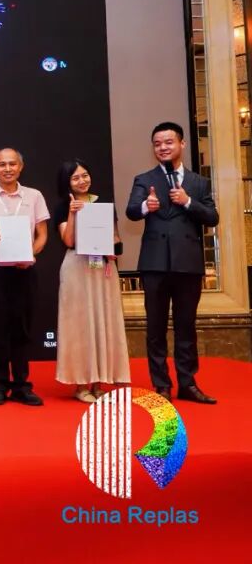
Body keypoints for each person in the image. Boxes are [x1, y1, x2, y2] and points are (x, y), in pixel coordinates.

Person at [126, 122, 219, 404]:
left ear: (181, 144)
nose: (163, 148)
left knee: (185, 326)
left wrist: (188, 201)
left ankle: (188, 384)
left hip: (187, 264)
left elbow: (212, 217)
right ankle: (162, 385)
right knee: (155, 328)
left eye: (168, 142)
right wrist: (147, 206)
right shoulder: (144, 179)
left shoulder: (198, 182)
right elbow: (131, 211)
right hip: (154, 264)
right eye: (157, 144)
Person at [0, 148, 49, 406]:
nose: (7, 169)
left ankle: (22, 385)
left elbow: (42, 234)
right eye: (2, 164)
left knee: (22, 327)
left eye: (12, 164)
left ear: (20, 167)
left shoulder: (34, 196)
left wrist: (30, 254)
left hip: (24, 268)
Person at [53, 159, 130, 403]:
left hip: (103, 268)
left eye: (85, 175)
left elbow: (115, 237)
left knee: (103, 321)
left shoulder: (104, 203)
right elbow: (68, 240)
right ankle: (80, 385)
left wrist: (114, 248)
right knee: (79, 325)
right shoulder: (62, 206)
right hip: (77, 268)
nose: (82, 181)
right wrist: (72, 213)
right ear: (67, 182)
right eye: (75, 177)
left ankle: (99, 382)